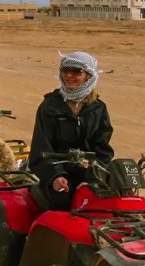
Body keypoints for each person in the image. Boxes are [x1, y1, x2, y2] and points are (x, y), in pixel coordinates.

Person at [28, 51, 114, 212]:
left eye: (76, 71)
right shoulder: (50, 106)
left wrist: (91, 180)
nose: (69, 75)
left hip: (91, 172)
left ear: (88, 76)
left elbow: (103, 150)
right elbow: (41, 148)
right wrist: (56, 176)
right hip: (58, 170)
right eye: (65, 70)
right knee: (61, 200)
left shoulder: (98, 108)